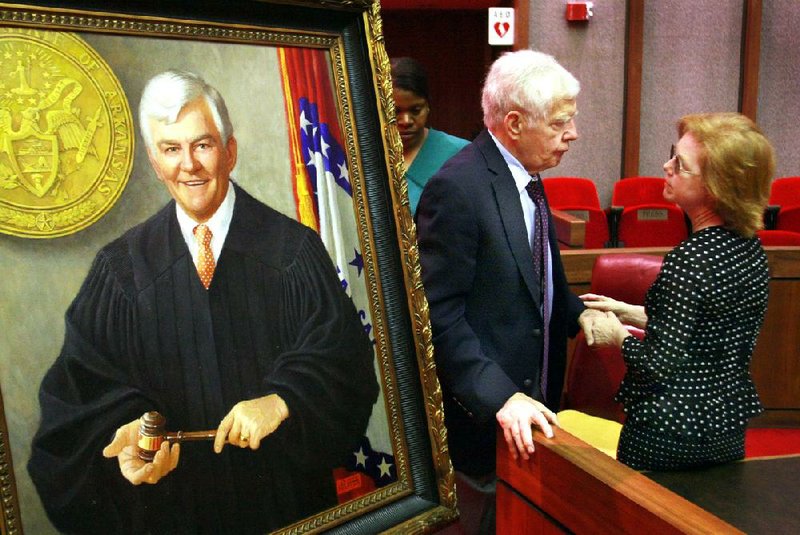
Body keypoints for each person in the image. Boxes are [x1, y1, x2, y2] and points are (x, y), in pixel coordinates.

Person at [27, 70, 379, 534]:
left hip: (284, 507)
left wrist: (284, 399)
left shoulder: (293, 251)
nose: (188, 165)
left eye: (203, 145)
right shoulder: (120, 270)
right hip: (174, 514)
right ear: (155, 161)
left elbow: (348, 367)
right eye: (171, 149)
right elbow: (76, 399)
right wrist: (129, 433)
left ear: (229, 152)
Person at [415, 50, 600, 534]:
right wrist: (501, 398)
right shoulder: (457, 188)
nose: (573, 134)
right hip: (487, 423)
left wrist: (577, 312)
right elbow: (437, 316)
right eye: (561, 123)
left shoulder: (526, 176)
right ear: (514, 123)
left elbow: (533, 276)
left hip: (534, 407)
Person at [583, 112, 774, 471]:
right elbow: (702, 329)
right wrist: (625, 308)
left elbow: (656, 366)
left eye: (680, 164)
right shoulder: (751, 249)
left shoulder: (690, 258)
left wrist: (616, 335)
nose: (666, 166)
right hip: (725, 431)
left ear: (716, 188)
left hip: (669, 435)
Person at [391, 57, 469, 214]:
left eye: (415, 110)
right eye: (395, 112)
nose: (406, 121)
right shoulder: (363, 155)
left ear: (428, 106)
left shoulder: (461, 154)